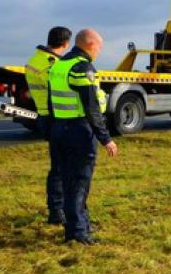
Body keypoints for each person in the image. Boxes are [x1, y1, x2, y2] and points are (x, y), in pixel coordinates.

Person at [48, 28, 118, 245]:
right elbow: (91, 107)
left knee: (68, 180)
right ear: (90, 45)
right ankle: (78, 231)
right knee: (79, 181)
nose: (99, 51)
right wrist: (106, 138)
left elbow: (52, 102)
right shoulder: (81, 68)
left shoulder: (58, 65)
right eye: (99, 47)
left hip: (60, 128)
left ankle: (78, 224)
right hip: (79, 130)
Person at [25, 26, 72, 225]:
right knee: (63, 169)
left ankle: (56, 209)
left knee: (57, 166)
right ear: (65, 43)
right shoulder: (55, 65)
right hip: (57, 118)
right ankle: (58, 211)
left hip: (43, 117)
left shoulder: (33, 61)